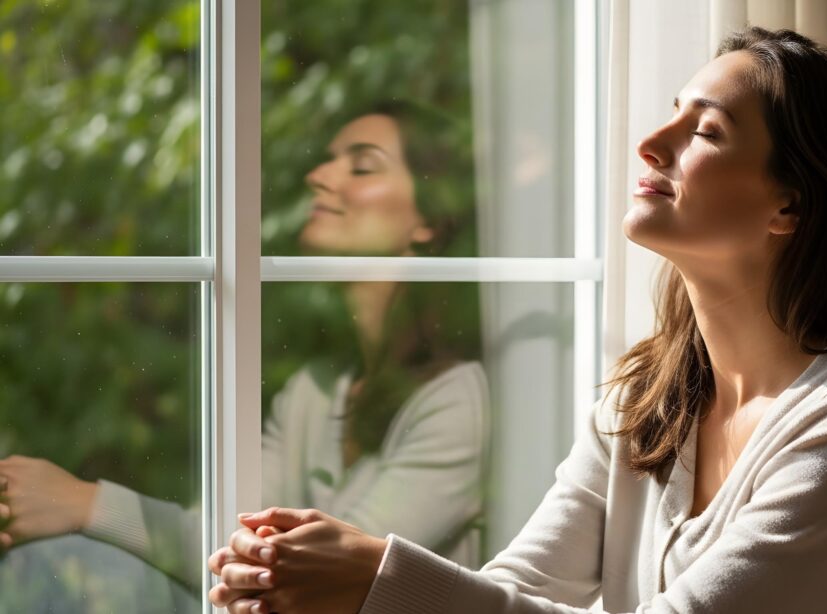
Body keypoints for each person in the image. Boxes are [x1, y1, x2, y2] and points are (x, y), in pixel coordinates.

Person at [208, 26, 827, 614]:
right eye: (672, 113)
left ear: (790, 204)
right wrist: (309, 585)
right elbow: (520, 587)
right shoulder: (645, 404)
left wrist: (376, 576)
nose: (652, 145)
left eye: (708, 132)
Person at [0, 100, 490, 593]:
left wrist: (85, 503)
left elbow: (322, 574)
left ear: (429, 220)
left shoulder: (456, 401)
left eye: (361, 166)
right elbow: (226, 538)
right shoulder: (315, 389)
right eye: (328, 159)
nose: (319, 175)